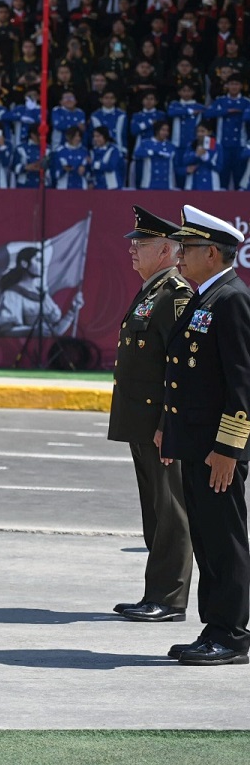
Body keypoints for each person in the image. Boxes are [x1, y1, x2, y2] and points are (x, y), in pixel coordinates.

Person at [160, 205, 250, 666]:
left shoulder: (231, 300)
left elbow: (242, 383)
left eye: (187, 248)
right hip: (197, 444)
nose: (178, 256)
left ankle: (231, 634)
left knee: (225, 539)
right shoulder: (205, 297)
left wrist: (228, 448)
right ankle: (215, 627)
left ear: (212, 253)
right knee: (208, 538)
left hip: (217, 450)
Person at [108, 206, 194, 623]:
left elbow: (180, 369)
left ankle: (170, 598)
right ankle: (154, 593)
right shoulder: (152, 291)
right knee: (155, 510)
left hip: (160, 425)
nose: (132, 250)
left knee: (171, 510)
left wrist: (167, 423)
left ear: (165, 250)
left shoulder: (175, 295)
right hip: (141, 422)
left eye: (141, 244)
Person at [0, 246, 84, 337]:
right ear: (24, 264)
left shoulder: (42, 295)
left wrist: (72, 311)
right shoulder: (11, 294)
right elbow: (5, 331)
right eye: (38, 260)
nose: (43, 265)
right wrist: (33, 331)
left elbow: (55, 332)